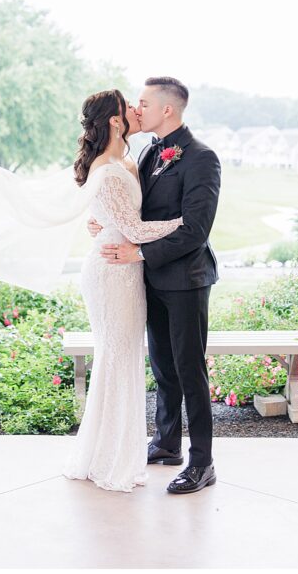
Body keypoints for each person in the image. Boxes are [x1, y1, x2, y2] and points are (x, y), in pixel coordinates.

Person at [88, 77, 222, 494]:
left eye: (143, 103)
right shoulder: (146, 153)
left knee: (189, 368)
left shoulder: (202, 158)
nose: (136, 110)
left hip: (185, 279)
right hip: (147, 279)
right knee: (164, 368)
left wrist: (140, 253)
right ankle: (166, 444)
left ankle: (203, 462)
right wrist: (105, 223)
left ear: (168, 109)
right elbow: (131, 211)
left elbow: (195, 230)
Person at [60, 89, 183, 493]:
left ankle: (112, 452)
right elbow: (134, 229)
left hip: (127, 267)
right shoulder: (109, 169)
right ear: (115, 120)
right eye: (129, 106)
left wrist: (99, 221)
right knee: (116, 358)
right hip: (113, 270)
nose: (135, 109)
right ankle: (109, 460)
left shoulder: (126, 160)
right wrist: (186, 225)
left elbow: (116, 214)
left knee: (123, 358)